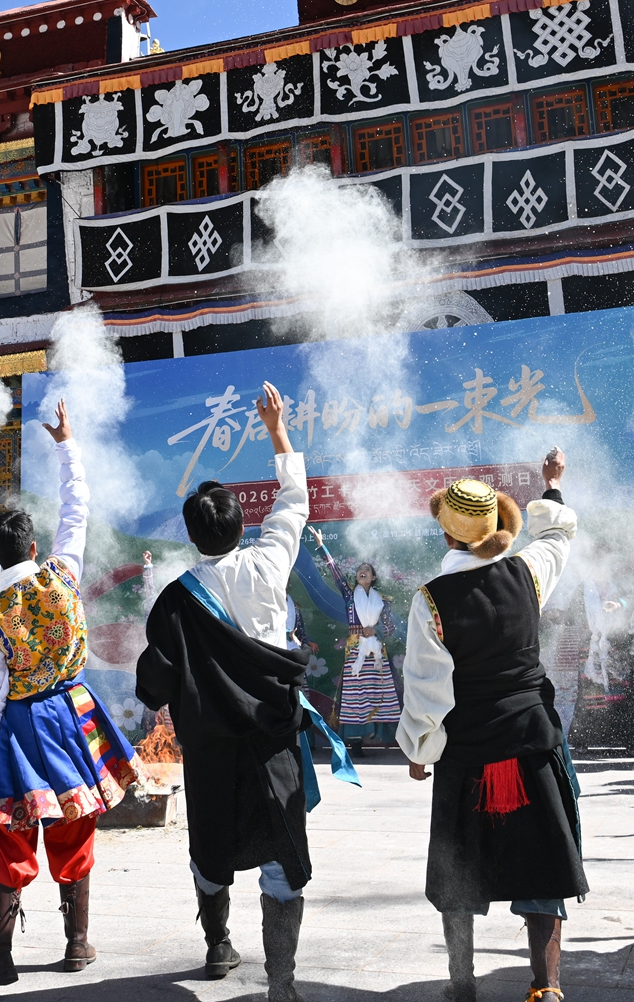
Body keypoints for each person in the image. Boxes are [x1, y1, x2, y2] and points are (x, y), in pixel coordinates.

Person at [137, 383, 354, 1002]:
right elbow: (294, 503)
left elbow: (155, 682)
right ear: (240, 527)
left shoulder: (176, 600)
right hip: (270, 744)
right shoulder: (267, 566)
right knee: (281, 859)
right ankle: (280, 983)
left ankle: (216, 946)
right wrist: (277, 430)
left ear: (192, 535)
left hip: (209, 752)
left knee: (209, 847)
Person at [0, 399, 140, 994]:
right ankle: (76, 941)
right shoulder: (62, 573)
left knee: (9, 832)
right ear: (34, 550)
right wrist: (67, 444)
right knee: (74, 823)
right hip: (70, 715)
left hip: (16, 725)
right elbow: (77, 509)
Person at [400, 452, 588, 1002]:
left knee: (459, 871)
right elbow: (556, 538)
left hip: (468, 750)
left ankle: (461, 986)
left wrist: (420, 749)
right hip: (533, 740)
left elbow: (427, 689)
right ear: (498, 525)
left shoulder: (431, 600)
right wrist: (552, 487)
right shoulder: (527, 573)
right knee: (544, 862)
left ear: (446, 532)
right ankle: (546, 987)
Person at [310, 530, 402, 755]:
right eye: (360, 570)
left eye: (367, 570)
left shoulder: (383, 602)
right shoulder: (350, 596)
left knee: (377, 692)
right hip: (355, 652)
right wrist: (322, 546)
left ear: (373, 578)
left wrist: (376, 630)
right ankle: (356, 744)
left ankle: (380, 735)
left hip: (376, 654)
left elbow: (390, 628)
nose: (362, 572)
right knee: (355, 696)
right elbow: (335, 573)